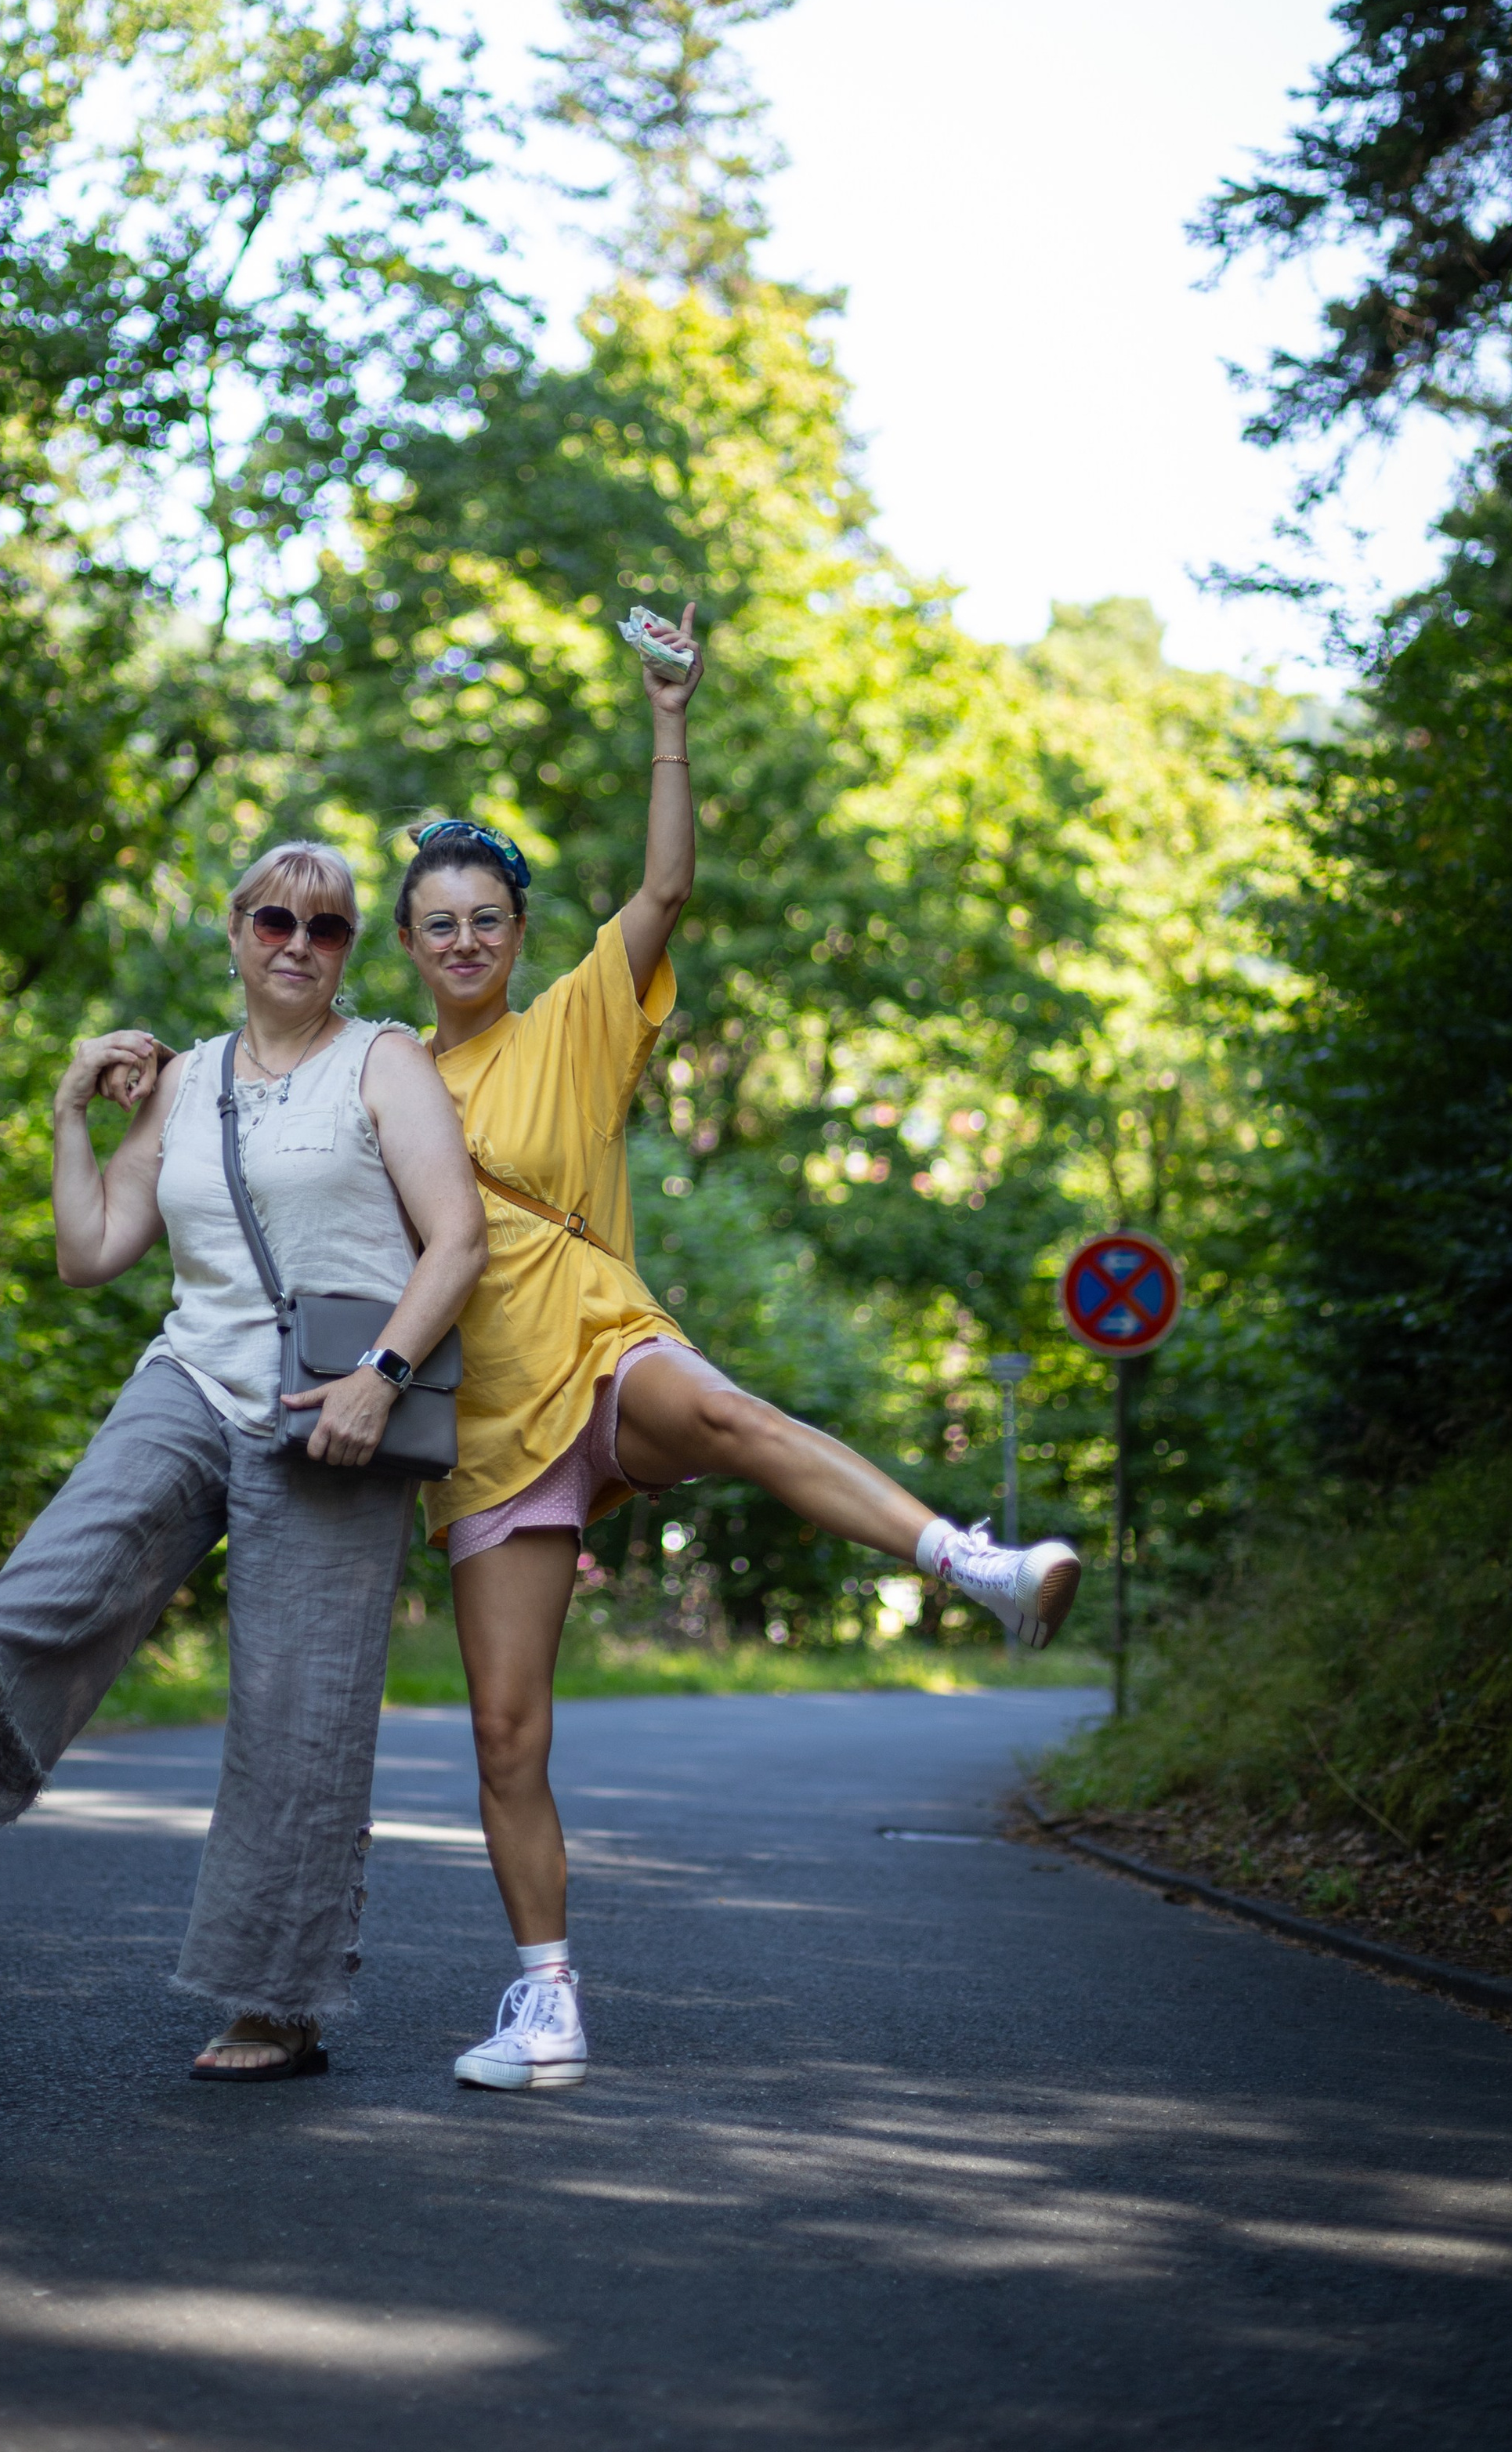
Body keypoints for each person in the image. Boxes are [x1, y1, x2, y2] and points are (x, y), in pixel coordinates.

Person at [396, 606, 1082, 2092]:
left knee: (729, 1414)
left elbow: (667, 882)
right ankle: (548, 2003)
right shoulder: (380, 1080)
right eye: (437, 923)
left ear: (517, 934)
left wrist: (669, 714)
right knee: (508, 1736)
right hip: (479, 1426)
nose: (463, 940)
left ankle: (976, 1566)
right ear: (409, 944)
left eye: (486, 919)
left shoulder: (578, 1014)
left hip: (599, 1341)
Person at [0, 841, 487, 2082]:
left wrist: (384, 1377)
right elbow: (91, 1252)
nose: (298, 942)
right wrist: (66, 1115)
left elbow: (456, 1240)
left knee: (297, 1719)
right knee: (99, 1519)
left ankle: (273, 2004)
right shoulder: (188, 1082)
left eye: (329, 926)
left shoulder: (384, 1060)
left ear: (351, 948)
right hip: (197, 1372)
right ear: (235, 932)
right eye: (274, 919)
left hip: (334, 1407)